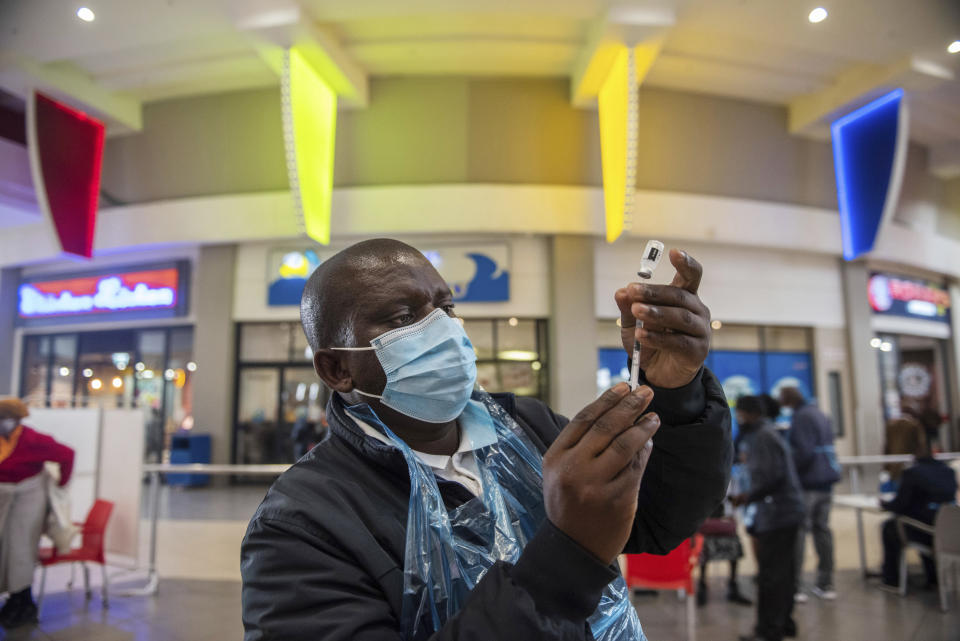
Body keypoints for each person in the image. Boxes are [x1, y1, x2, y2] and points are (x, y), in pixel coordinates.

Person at [241, 239, 732, 640]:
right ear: (337, 368)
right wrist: (568, 557)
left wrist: (676, 393)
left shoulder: (529, 428)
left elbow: (660, 519)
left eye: (445, 305)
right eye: (402, 317)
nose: (444, 328)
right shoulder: (301, 526)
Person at [731, 395, 804, 641]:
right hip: (782, 513)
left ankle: (769, 630)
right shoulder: (761, 434)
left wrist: (746, 497)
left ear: (751, 413)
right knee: (783, 572)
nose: (739, 419)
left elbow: (772, 478)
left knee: (772, 574)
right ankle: (784, 623)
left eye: (740, 414)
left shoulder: (763, 437)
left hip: (778, 515)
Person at [0, 398, 75, 629]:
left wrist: (61, 485)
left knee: (21, 548)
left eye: (7, 418)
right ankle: (12, 599)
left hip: (29, 498)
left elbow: (67, 454)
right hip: (4, 499)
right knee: (3, 547)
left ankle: (22, 601)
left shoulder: (33, 440)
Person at [878, 420, 958, 592]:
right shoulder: (948, 472)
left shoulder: (912, 473)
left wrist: (884, 503)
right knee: (924, 523)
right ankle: (933, 578)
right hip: (949, 532)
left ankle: (892, 580)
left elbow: (899, 505)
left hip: (926, 531)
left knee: (891, 527)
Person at [778, 386, 840, 602]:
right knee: (822, 530)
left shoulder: (802, 417)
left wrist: (786, 470)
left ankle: (796, 587)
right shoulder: (818, 413)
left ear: (787, 399)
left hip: (808, 483)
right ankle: (826, 583)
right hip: (826, 482)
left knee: (800, 532)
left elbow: (803, 451)